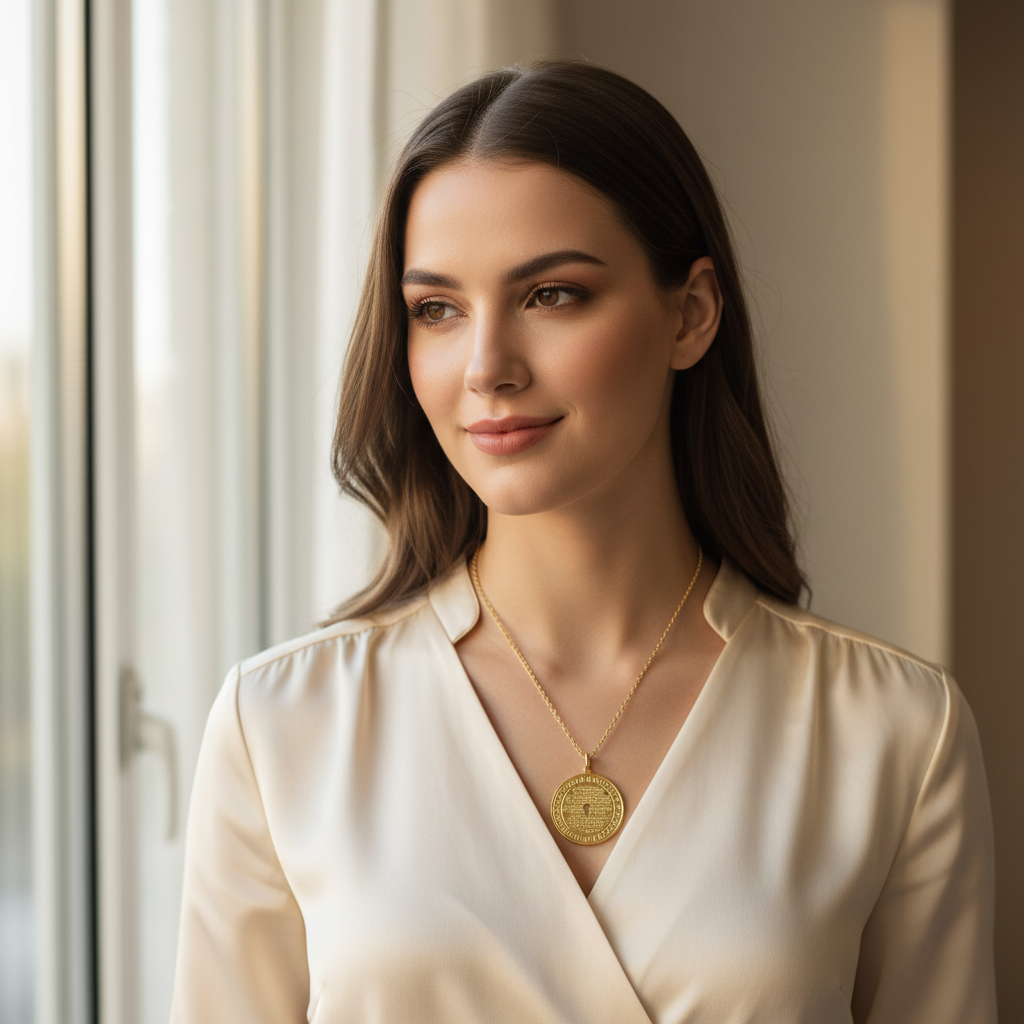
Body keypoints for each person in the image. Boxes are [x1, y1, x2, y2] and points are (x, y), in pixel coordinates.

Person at [170, 61, 996, 1023]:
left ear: (689, 314)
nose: (486, 368)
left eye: (551, 295)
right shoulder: (282, 726)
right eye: (436, 309)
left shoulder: (895, 732)